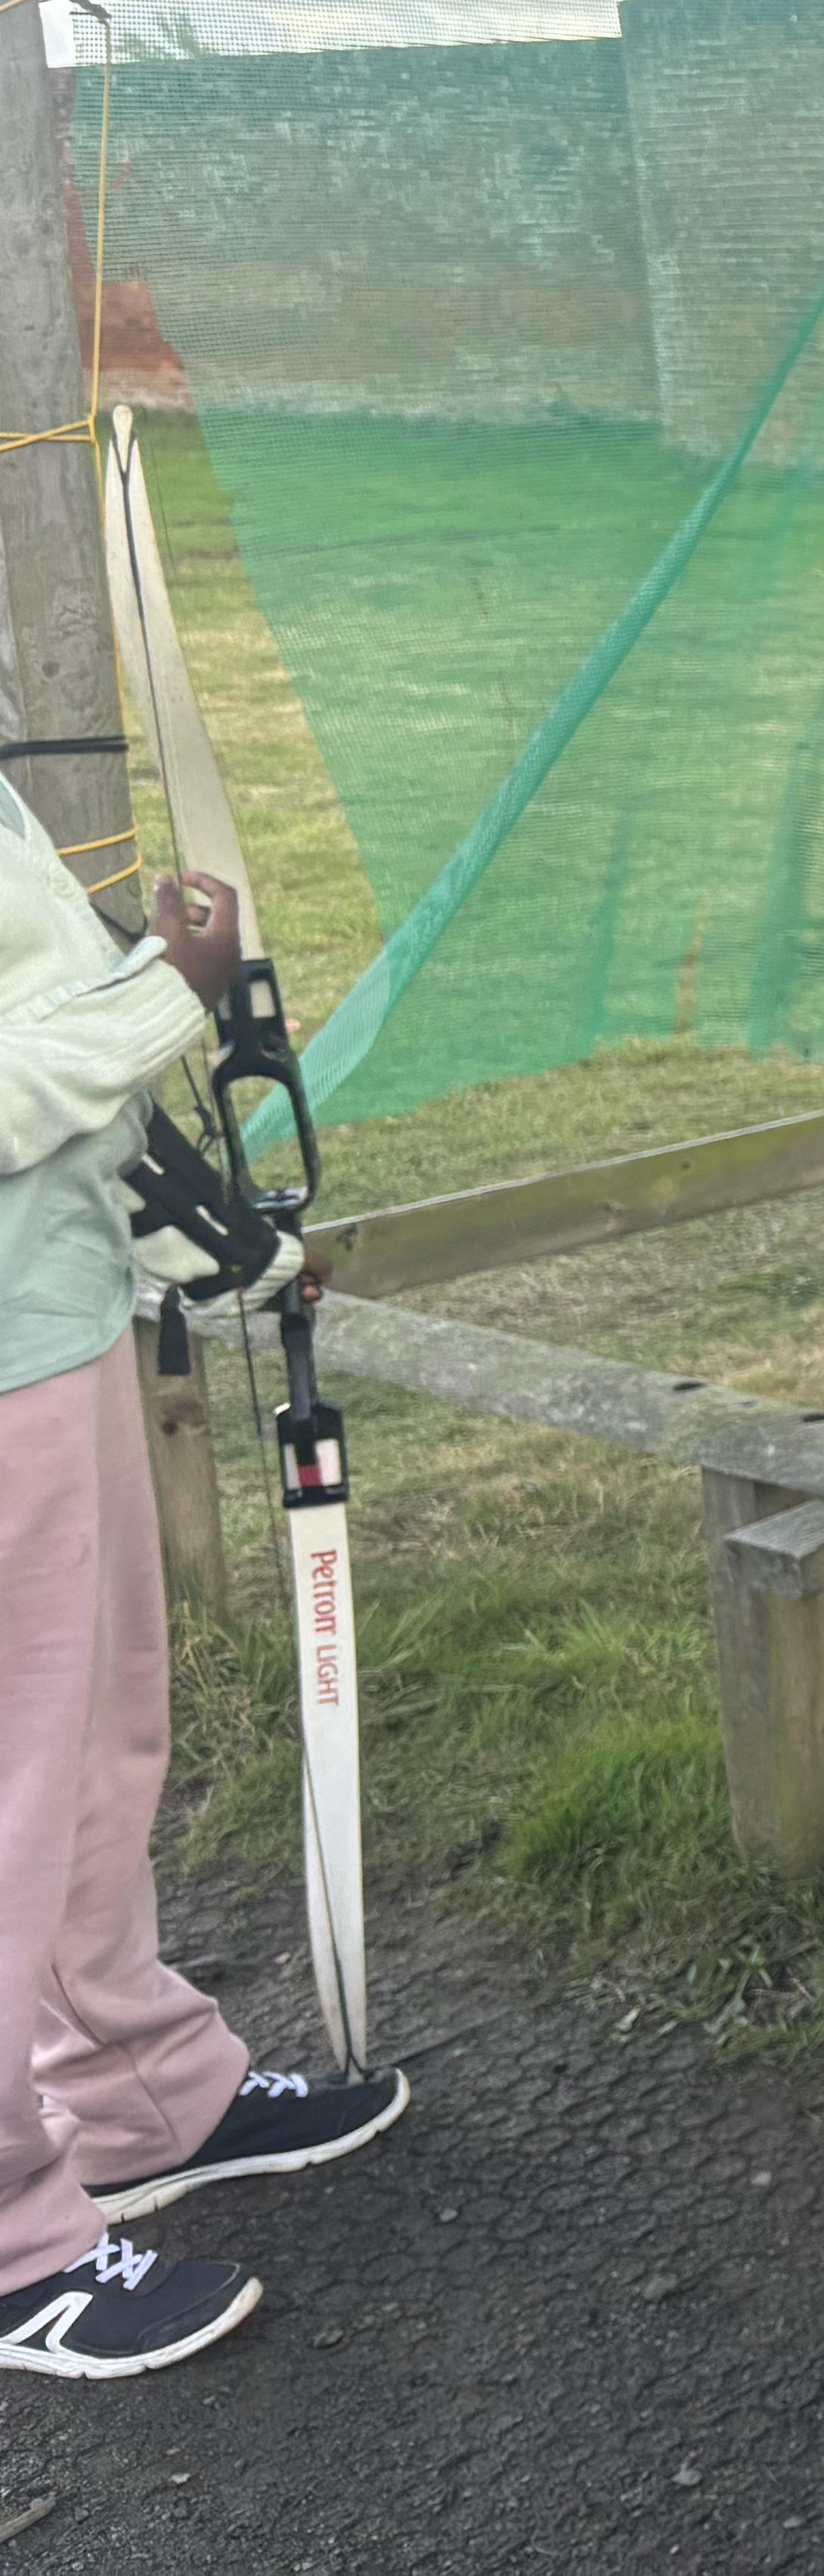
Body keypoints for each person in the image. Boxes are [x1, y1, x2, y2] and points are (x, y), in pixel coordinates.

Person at [1, 815, 407, 2382]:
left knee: (96, 1752)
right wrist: (174, 990)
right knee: (18, 1783)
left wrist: (212, 1240)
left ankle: (136, 2098)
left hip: (54, 1314)